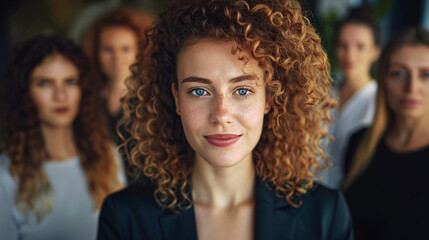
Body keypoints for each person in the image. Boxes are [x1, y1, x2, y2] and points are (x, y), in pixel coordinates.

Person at [97, 0, 354, 239]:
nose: (221, 115)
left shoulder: (325, 215)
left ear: (269, 98)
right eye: (199, 91)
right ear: (177, 99)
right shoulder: (125, 218)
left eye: (242, 91)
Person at [0, 36, 124, 240]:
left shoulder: (108, 158)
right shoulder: (5, 177)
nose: (60, 95)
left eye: (70, 82)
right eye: (44, 84)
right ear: (24, 93)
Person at [343, 27, 429, 240]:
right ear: (383, 79)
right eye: (399, 73)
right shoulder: (359, 142)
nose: (412, 88)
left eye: (426, 75)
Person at [82, 8, 154, 183]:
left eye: (125, 49)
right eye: (108, 49)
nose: (117, 58)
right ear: (96, 52)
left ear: (139, 51)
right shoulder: (85, 100)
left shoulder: (153, 100)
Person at [319, 5, 380, 189]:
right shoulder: (322, 93)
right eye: (343, 46)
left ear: (375, 52)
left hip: (349, 198)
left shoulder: (378, 102)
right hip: (308, 194)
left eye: (360, 47)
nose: (350, 55)